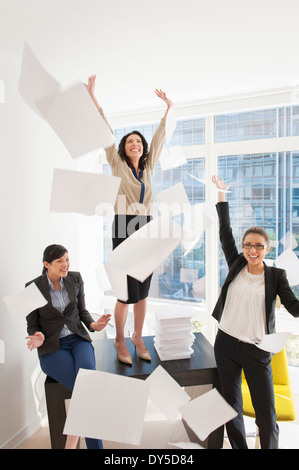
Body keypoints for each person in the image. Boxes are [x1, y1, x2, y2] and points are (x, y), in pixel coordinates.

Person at [85, 75, 173, 365]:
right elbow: (106, 133)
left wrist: (167, 111)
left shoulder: (147, 168)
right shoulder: (117, 163)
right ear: (123, 148)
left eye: (138, 141)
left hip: (147, 226)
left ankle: (138, 336)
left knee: (143, 290)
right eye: (129, 141)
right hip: (124, 226)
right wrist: (94, 99)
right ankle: (120, 339)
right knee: (125, 292)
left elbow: (159, 140)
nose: (134, 143)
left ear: (143, 148)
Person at [211, 175, 299, 449]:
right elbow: (225, 233)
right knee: (231, 408)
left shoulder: (276, 276)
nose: (252, 250)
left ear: (266, 249)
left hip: (257, 349)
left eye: (258, 246)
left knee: (266, 413)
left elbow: (294, 308)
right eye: (248, 244)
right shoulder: (236, 263)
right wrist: (221, 195)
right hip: (225, 343)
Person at [25, 244, 111, 449]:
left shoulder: (75, 279)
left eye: (67, 259)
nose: (66, 265)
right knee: (88, 391)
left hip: (78, 340)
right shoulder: (32, 287)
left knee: (86, 387)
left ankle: (70, 445)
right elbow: (32, 324)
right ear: (46, 264)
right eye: (60, 261)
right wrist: (36, 336)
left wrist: (93, 325)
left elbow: (82, 312)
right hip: (53, 348)